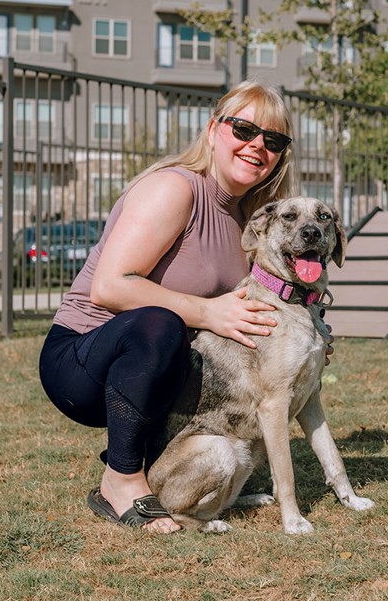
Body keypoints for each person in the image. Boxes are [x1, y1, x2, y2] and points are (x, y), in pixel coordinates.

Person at [39, 81, 297, 534]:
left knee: (182, 337)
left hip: (166, 372)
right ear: (215, 129)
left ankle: (177, 477)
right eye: (244, 129)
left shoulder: (248, 221)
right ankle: (119, 480)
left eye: (272, 140)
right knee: (163, 324)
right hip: (82, 360)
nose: (257, 145)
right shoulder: (174, 189)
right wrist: (208, 312)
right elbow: (110, 288)